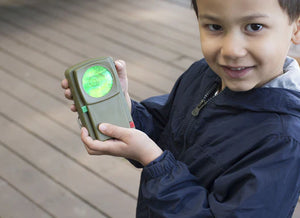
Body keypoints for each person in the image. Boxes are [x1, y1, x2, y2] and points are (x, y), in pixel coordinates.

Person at [62, 0, 300, 217]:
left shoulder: (283, 140)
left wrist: (155, 162)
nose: (231, 50)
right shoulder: (204, 74)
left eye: (254, 27)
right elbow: (166, 128)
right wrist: (127, 112)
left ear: (296, 28)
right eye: (215, 27)